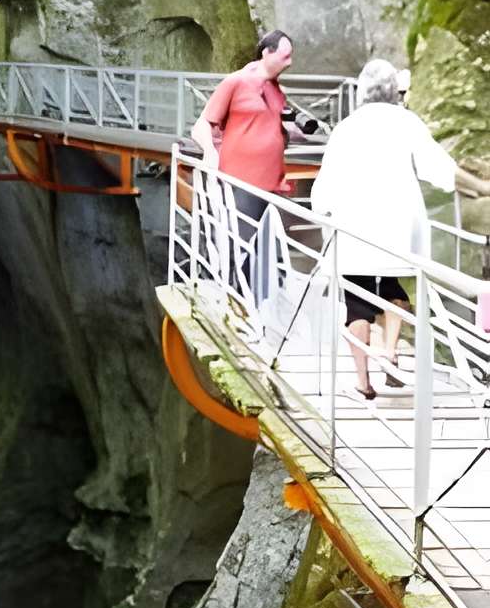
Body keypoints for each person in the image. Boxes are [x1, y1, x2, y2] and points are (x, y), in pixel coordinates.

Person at [310, 58, 490, 399]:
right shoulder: (407, 122)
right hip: (397, 227)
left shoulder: (346, 128)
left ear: (362, 91)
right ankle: (391, 353)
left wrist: (321, 212)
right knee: (394, 288)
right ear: (394, 91)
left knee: (357, 302)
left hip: (354, 227)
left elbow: (326, 182)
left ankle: (363, 382)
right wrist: (480, 187)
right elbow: (439, 168)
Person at [190, 29, 296, 296]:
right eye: (285, 56)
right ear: (267, 53)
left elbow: (272, 129)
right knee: (238, 246)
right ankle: (230, 299)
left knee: (264, 250)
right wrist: (210, 152)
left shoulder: (277, 90)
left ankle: (259, 304)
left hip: (270, 185)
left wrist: (290, 132)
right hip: (241, 182)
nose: (290, 62)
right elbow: (201, 125)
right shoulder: (236, 82)